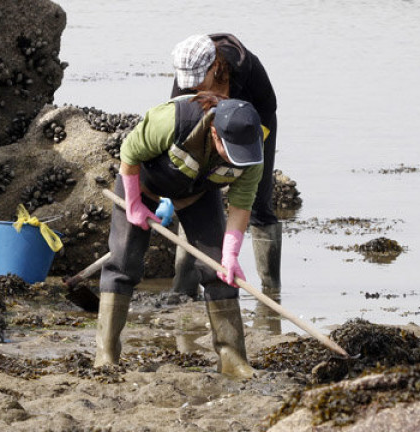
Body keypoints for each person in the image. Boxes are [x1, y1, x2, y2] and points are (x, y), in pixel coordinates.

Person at [95, 90, 268, 379]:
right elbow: (130, 152)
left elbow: (240, 206)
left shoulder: (252, 153)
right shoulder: (174, 120)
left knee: (218, 269)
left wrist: (231, 254)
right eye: (231, 151)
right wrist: (135, 203)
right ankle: (106, 355)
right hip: (144, 182)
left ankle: (232, 359)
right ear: (214, 131)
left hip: (197, 194)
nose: (238, 160)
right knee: (124, 263)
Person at [168, 34, 282, 324]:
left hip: (251, 129)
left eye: (197, 81)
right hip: (202, 129)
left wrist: (251, 148)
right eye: (187, 82)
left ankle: (271, 293)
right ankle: (183, 290)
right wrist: (173, 186)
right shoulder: (187, 77)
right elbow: (174, 120)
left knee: (259, 201)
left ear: (214, 68)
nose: (191, 86)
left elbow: (268, 106)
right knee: (191, 199)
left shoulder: (247, 68)